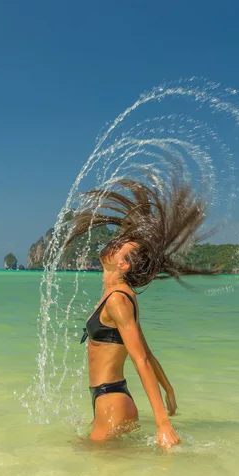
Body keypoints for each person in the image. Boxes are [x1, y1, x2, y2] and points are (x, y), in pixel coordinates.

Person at [64, 169, 209, 449]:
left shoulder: (119, 299)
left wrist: (163, 424)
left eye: (121, 247)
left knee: (88, 466)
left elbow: (140, 359)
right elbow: (146, 349)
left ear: (123, 265)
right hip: (109, 399)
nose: (115, 243)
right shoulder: (118, 296)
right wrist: (167, 388)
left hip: (112, 401)